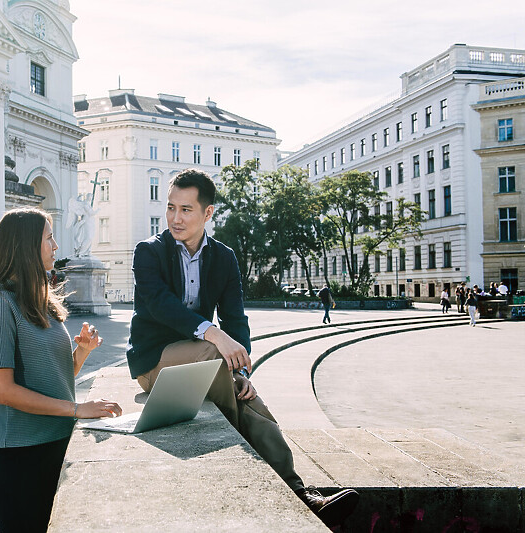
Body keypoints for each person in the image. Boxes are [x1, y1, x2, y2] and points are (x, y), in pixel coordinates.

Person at [126, 169, 358, 527]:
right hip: (154, 363)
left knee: (245, 391)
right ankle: (289, 487)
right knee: (213, 357)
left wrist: (242, 371)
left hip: (204, 363)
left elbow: (236, 319)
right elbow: (159, 304)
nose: (175, 218)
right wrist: (213, 334)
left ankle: (298, 492)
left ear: (208, 214)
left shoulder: (224, 257)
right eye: (171, 207)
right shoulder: (149, 251)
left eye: (186, 210)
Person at [0, 208, 122, 533]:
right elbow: (4, 391)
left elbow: (53, 378)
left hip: (56, 443)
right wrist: (77, 409)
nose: (55, 246)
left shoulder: (42, 303)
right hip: (20, 456)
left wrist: (81, 352)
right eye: (48, 237)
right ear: (25, 245)